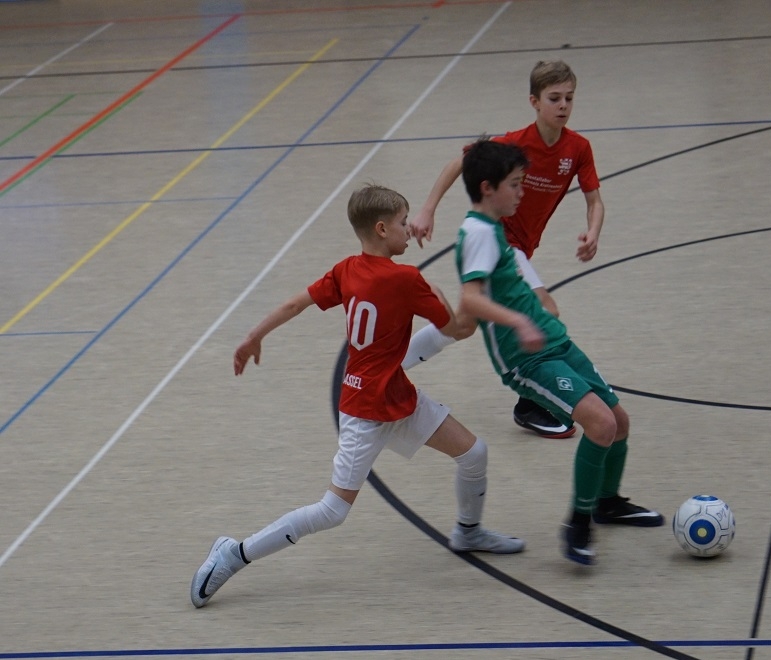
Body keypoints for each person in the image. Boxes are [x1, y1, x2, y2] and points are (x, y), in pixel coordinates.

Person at [190, 184, 524, 608]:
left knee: (474, 453)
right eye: (404, 223)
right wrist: (471, 293)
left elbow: (294, 304)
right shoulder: (406, 279)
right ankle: (233, 554)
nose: (410, 230)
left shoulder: (347, 269)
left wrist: (254, 336)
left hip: (396, 398)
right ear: (382, 229)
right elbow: (455, 328)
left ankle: (469, 532)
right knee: (332, 511)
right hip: (366, 413)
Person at [454, 139, 662, 566]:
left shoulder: (494, 228)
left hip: (554, 340)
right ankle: (578, 523)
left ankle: (606, 502)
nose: (522, 192)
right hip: (526, 357)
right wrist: (519, 322)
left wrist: (538, 310)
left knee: (619, 422)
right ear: (488, 188)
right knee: (601, 424)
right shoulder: (476, 233)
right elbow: (470, 299)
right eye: (515, 185)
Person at [402, 60, 604, 440]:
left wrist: (592, 232)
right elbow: (460, 163)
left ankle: (390, 367)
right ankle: (531, 404)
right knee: (545, 310)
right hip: (501, 241)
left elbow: (595, 200)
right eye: (554, 98)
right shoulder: (514, 143)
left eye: (569, 98)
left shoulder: (578, 148)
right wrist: (428, 209)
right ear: (534, 101)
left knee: (464, 325)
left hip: (521, 245)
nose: (563, 105)